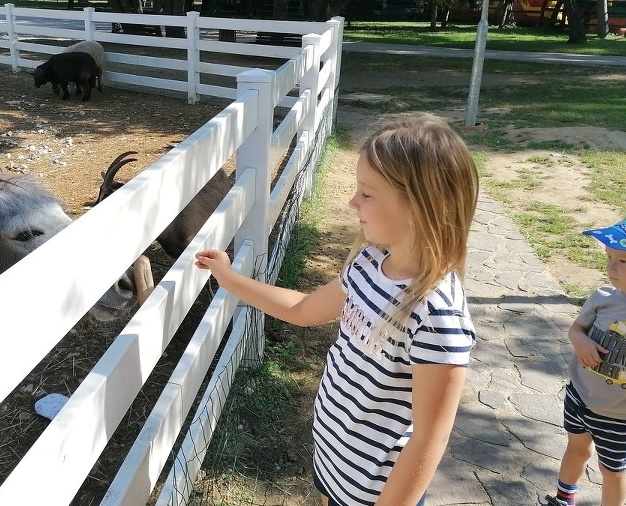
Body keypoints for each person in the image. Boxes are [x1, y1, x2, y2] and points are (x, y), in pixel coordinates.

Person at [195, 113, 479, 506]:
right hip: (336, 462)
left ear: (416, 205)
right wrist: (230, 279)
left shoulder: (437, 316)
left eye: (367, 193)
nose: (352, 202)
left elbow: (430, 437)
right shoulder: (368, 265)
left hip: (377, 491)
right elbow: (302, 308)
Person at [545, 213, 626, 506]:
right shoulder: (603, 296)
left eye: (623, 261)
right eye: (609, 257)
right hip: (579, 395)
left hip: (620, 414)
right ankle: (564, 498)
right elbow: (576, 328)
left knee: (612, 470)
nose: (610, 267)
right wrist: (580, 340)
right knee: (577, 449)